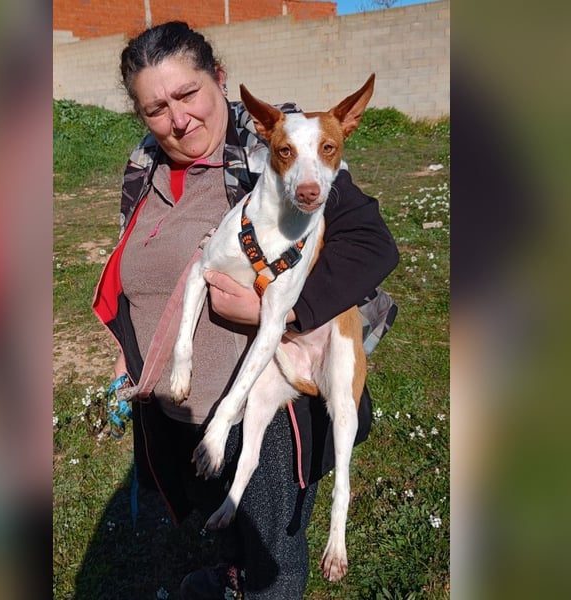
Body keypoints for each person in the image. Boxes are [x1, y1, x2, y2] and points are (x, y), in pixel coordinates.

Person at [92, 21, 399, 599]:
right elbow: (138, 269)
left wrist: (284, 313)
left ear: (219, 78)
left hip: (268, 402)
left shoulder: (283, 145)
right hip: (179, 403)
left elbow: (372, 244)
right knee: (225, 528)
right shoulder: (143, 168)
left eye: (187, 94)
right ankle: (230, 577)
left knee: (272, 566)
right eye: (156, 108)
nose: (178, 119)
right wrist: (127, 347)